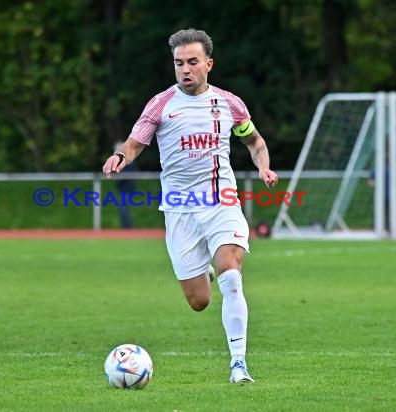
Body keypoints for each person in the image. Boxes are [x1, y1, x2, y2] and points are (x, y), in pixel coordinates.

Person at [102, 28, 278, 384]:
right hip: (180, 209)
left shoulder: (230, 103)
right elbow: (136, 143)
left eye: (193, 62)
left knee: (231, 275)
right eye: (179, 63)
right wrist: (121, 155)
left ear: (208, 64)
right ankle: (204, 272)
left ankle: (238, 364)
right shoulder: (161, 104)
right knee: (199, 301)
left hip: (221, 201)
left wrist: (263, 165)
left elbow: (255, 141)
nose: (185, 69)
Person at [113, 141, 137, 228]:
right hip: (123, 189)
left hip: (126, 189)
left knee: (124, 209)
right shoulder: (122, 161)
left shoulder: (128, 161)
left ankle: (128, 227)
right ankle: (126, 227)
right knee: (123, 209)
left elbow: (128, 176)